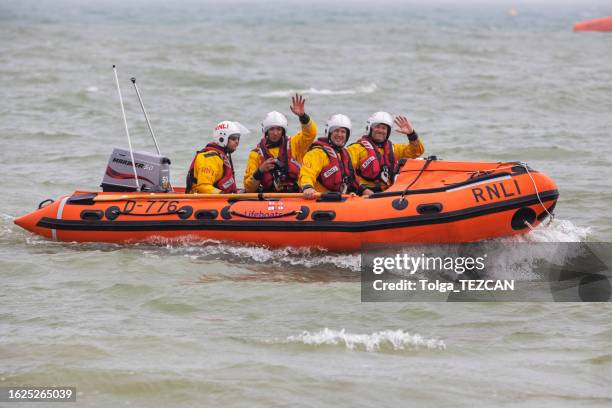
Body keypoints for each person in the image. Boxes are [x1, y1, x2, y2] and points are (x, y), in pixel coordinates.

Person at [243, 94, 317, 193]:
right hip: (269, 198)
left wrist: (303, 116)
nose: (275, 133)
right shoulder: (256, 154)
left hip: (295, 196)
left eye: (278, 129)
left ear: (283, 131)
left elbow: (310, 134)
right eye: (272, 129)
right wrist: (260, 171)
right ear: (266, 131)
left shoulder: (294, 144)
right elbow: (249, 188)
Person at [347, 112, 425, 195]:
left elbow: (416, 151)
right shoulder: (356, 149)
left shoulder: (393, 149)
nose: (380, 131)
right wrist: (362, 190)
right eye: (377, 127)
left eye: (384, 128)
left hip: (387, 193)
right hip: (364, 193)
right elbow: (345, 171)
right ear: (370, 128)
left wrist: (411, 134)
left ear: (388, 132)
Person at [299, 114, 359, 199]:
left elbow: (352, 179)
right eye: (336, 131)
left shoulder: (345, 154)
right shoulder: (317, 153)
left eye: (343, 132)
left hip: (340, 199)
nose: (339, 134)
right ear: (329, 133)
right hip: (320, 199)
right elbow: (307, 173)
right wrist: (307, 187)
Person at [185, 120, 249, 194]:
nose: (237, 141)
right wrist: (222, 194)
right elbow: (203, 186)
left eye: (238, 138)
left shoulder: (221, 156)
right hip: (201, 200)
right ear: (222, 138)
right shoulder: (209, 158)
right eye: (233, 138)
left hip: (219, 199)